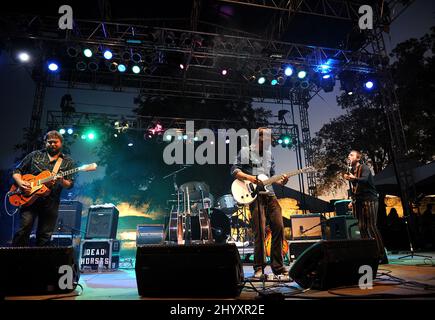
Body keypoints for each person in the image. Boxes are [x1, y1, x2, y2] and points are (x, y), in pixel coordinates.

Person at [231, 127, 289, 278]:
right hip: (255, 195)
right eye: (268, 138)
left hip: (270, 193)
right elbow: (235, 171)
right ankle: (259, 268)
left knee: (279, 227)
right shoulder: (246, 151)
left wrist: (282, 181)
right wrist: (250, 178)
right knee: (260, 231)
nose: (270, 142)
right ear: (259, 138)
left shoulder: (269, 155)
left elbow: (272, 176)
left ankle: (278, 267)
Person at [12, 130, 76, 246]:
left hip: (51, 202)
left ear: (61, 143)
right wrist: (20, 182)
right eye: (49, 142)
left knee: (45, 236)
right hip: (28, 200)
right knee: (23, 230)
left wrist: (62, 181)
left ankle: (41, 263)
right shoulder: (35, 155)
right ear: (45, 143)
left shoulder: (67, 162)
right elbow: (17, 171)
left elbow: (70, 185)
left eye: (55, 142)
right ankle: (15, 261)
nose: (52, 144)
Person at [344, 150, 388, 264]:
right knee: (362, 227)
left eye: (352, 155)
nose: (349, 156)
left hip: (370, 200)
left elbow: (363, 180)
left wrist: (353, 178)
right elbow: (356, 188)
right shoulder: (352, 171)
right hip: (359, 202)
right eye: (349, 155)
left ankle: (382, 255)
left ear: (358, 158)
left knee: (371, 226)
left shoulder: (364, 168)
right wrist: (352, 200)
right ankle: (369, 253)